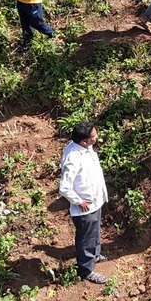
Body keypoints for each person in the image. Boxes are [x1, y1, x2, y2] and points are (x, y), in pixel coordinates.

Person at [58, 122, 109, 285]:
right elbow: (64, 187)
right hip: (85, 207)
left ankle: (95, 255)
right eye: (94, 136)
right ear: (84, 141)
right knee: (86, 238)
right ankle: (86, 270)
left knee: (94, 232)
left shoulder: (86, 148)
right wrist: (78, 201)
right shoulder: (73, 157)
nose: (97, 138)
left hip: (95, 200)